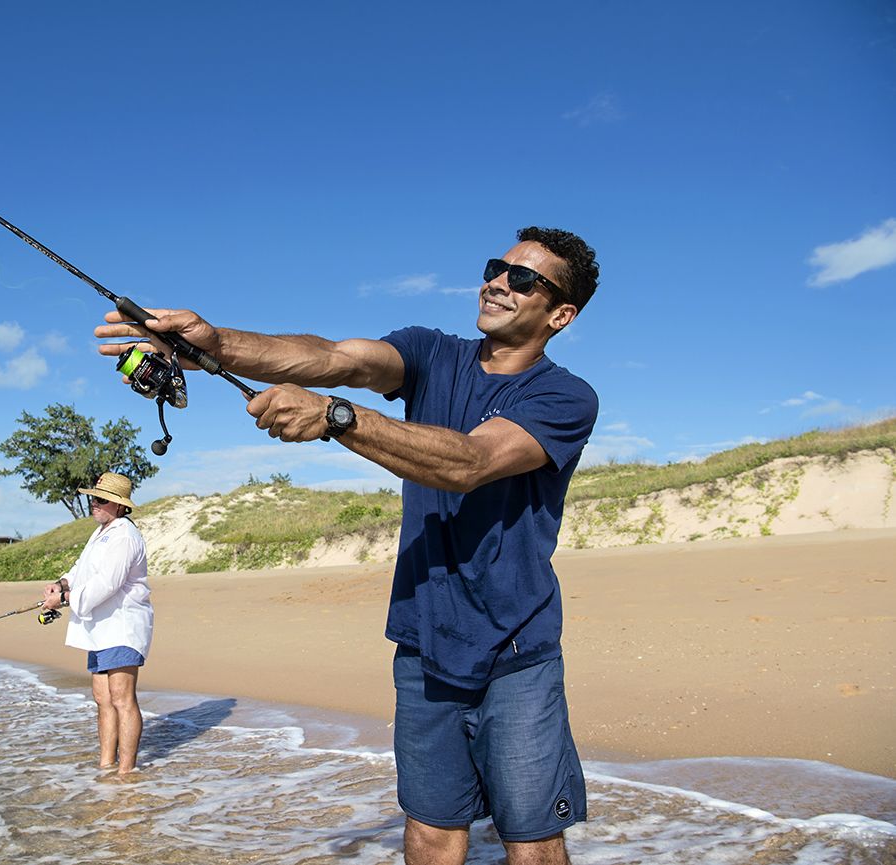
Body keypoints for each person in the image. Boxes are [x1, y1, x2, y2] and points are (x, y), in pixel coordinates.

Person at [96, 227, 599, 864]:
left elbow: (469, 462)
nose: (498, 282)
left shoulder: (564, 396)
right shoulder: (430, 352)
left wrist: (337, 418)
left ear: (560, 314)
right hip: (423, 645)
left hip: (516, 650)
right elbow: (331, 358)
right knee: (432, 830)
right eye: (497, 267)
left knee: (531, 840)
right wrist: (217, 344)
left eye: (524, 278)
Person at [41, 471, 153, 775]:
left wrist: (64, 601)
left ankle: (126, 773)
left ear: (119, 505)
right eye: (93, 498)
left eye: (101, 499)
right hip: (99, 629)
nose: (94, 503)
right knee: (102, 698)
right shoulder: (102, 531)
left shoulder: (125, 536)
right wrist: (60, 583)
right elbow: (82, 569)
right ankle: (106, 766)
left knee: (122, 698)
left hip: (122, 626)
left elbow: (108, 583)